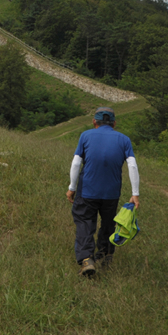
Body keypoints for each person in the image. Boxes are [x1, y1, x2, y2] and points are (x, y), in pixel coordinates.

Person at [66, 106, 140, 277]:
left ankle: (86, 259)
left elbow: (76, 163)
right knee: (108, 223)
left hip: (87, 191)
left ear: (94, 122)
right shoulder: (124, 140)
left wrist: (72, 187)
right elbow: (132, 165)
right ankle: (105, 255)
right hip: (111, 193)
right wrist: (135, 193)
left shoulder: (86, 136)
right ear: (114, 123)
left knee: (85, 221)